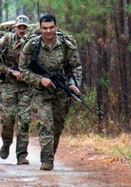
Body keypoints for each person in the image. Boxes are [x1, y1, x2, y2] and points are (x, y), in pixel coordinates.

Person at [18, 14, 83, 171]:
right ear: (40, 29)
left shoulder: (66, 45)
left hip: (60, 91)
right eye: (45, 28)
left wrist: (73, 84)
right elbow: (23, 69)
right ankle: (47, 160)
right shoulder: (32, 45)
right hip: (41, 92)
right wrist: (39, 80)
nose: (48, 31)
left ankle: (50, 153)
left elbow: (76, 67)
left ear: (56, 27)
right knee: (45, 124)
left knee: (57, 126)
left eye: (51, 28)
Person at [0, 14, 32, 164]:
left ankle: (21, 155)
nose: (22, 30)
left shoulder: (32, 43)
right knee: (8, 119)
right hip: (8, 85)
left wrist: (26, 74)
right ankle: (6, 143)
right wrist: (11, 71)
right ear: (15, 28)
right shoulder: (5, 41)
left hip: (26, 86)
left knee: (24, 121)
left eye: (24, 28)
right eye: (20, 27)